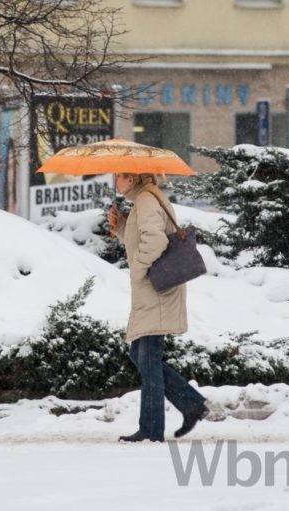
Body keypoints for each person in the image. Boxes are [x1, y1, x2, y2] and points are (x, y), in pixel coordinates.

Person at [107, 172, 209, 443]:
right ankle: (191, 404)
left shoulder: (146, 200)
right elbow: (144, 238)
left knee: (147, 357)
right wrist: (121, 226)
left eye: (119, 177)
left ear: (132, 178)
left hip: (156, 289)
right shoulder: (144, 199)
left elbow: (155, 242)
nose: (116, 181)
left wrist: (137, 269)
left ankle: (151, 429)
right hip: (153, 290)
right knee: (139, 354)